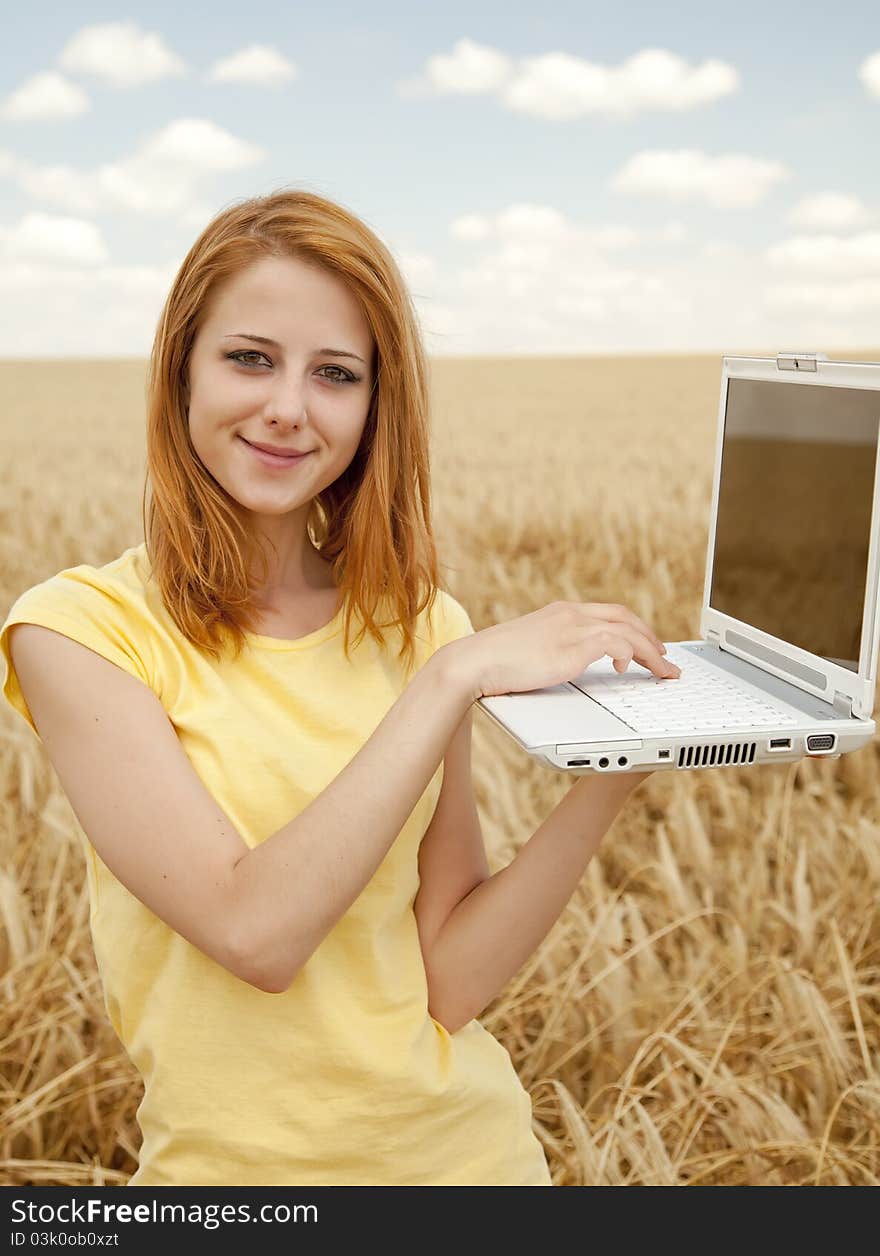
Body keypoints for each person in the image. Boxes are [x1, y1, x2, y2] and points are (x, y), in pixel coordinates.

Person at [0, 187, 680, 1187]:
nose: (288, 405)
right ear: (180, 368)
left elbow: (446, 981)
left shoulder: (414, 624)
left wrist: (621, 762)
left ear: (373, 407)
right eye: (249, 357)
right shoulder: (79, 630)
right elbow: (253, 932)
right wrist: (450, 679)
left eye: (335, 374)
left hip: (475, 1165)